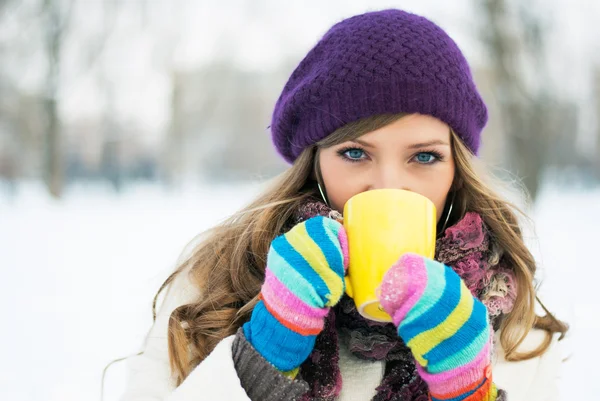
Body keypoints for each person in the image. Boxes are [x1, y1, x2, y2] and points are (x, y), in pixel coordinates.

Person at [120, 9, 568, 401]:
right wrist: (261, 358)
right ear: (315, 164)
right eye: (355, 153)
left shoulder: (511, 325)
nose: (388, 186)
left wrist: (471, 394)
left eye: (425, 156)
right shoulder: (214, 290)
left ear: (456, 171)